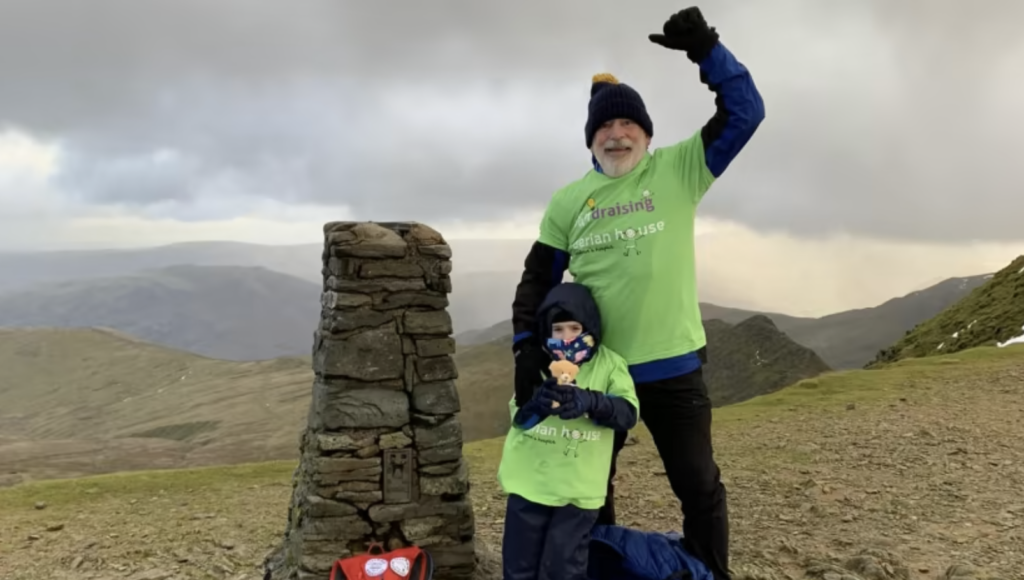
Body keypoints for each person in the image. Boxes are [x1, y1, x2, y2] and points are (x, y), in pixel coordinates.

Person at [509, 6, 765, 580]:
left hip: (673, 367)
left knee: (698, 484)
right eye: (604, 126)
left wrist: (707, 50)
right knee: (588, 490)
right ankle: (593, 570)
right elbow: (537, 280)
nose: (616, 133)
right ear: (590, 140)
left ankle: (712, 571)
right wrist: (526, 346)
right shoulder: (568, 202)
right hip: (598, 375)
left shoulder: (681, 169)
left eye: (628, 124)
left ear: (647, 134)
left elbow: (746, 112)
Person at [498, 281, 639, 580]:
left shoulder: (610, 365)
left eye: (575, 328)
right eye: (558, 329)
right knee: (519, 567)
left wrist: (592, 401)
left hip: (579, 491)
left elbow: (628, 413)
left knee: (563, 569)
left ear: (591, 328)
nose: (567, 337)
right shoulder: (536, 364)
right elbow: (519, 420)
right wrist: (537, 404)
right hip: (530, 483)